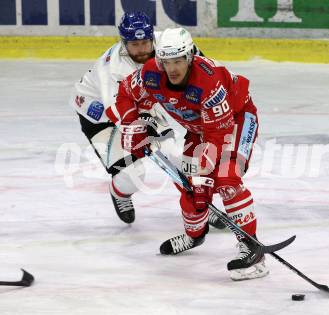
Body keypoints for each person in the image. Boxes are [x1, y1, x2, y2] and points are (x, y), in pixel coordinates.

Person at [109, 27, 268, 281]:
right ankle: (195, 235)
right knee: (190, 185)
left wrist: (205, 179)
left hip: (234, 121)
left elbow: (218, 134)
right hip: (200, 127)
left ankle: (254, 250)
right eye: (166, 61)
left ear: (190, 57)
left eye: (178, 61)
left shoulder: (209, 81)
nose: (172, 68)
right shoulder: (151, 73)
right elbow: (127, 93)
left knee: (226, 180)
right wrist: (134, 124)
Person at [69, 12, 225, 230]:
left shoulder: (169, 44)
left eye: (145, 42)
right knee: (133, 175)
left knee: (177, 155)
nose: (141, 49)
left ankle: (201, 207)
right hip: (100, 115)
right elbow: (118, 111)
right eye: (134, 44)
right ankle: (119, 192)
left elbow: (201, 65)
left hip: (143, 104)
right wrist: (140, 133)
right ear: (124, 43)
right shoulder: (112, 68)